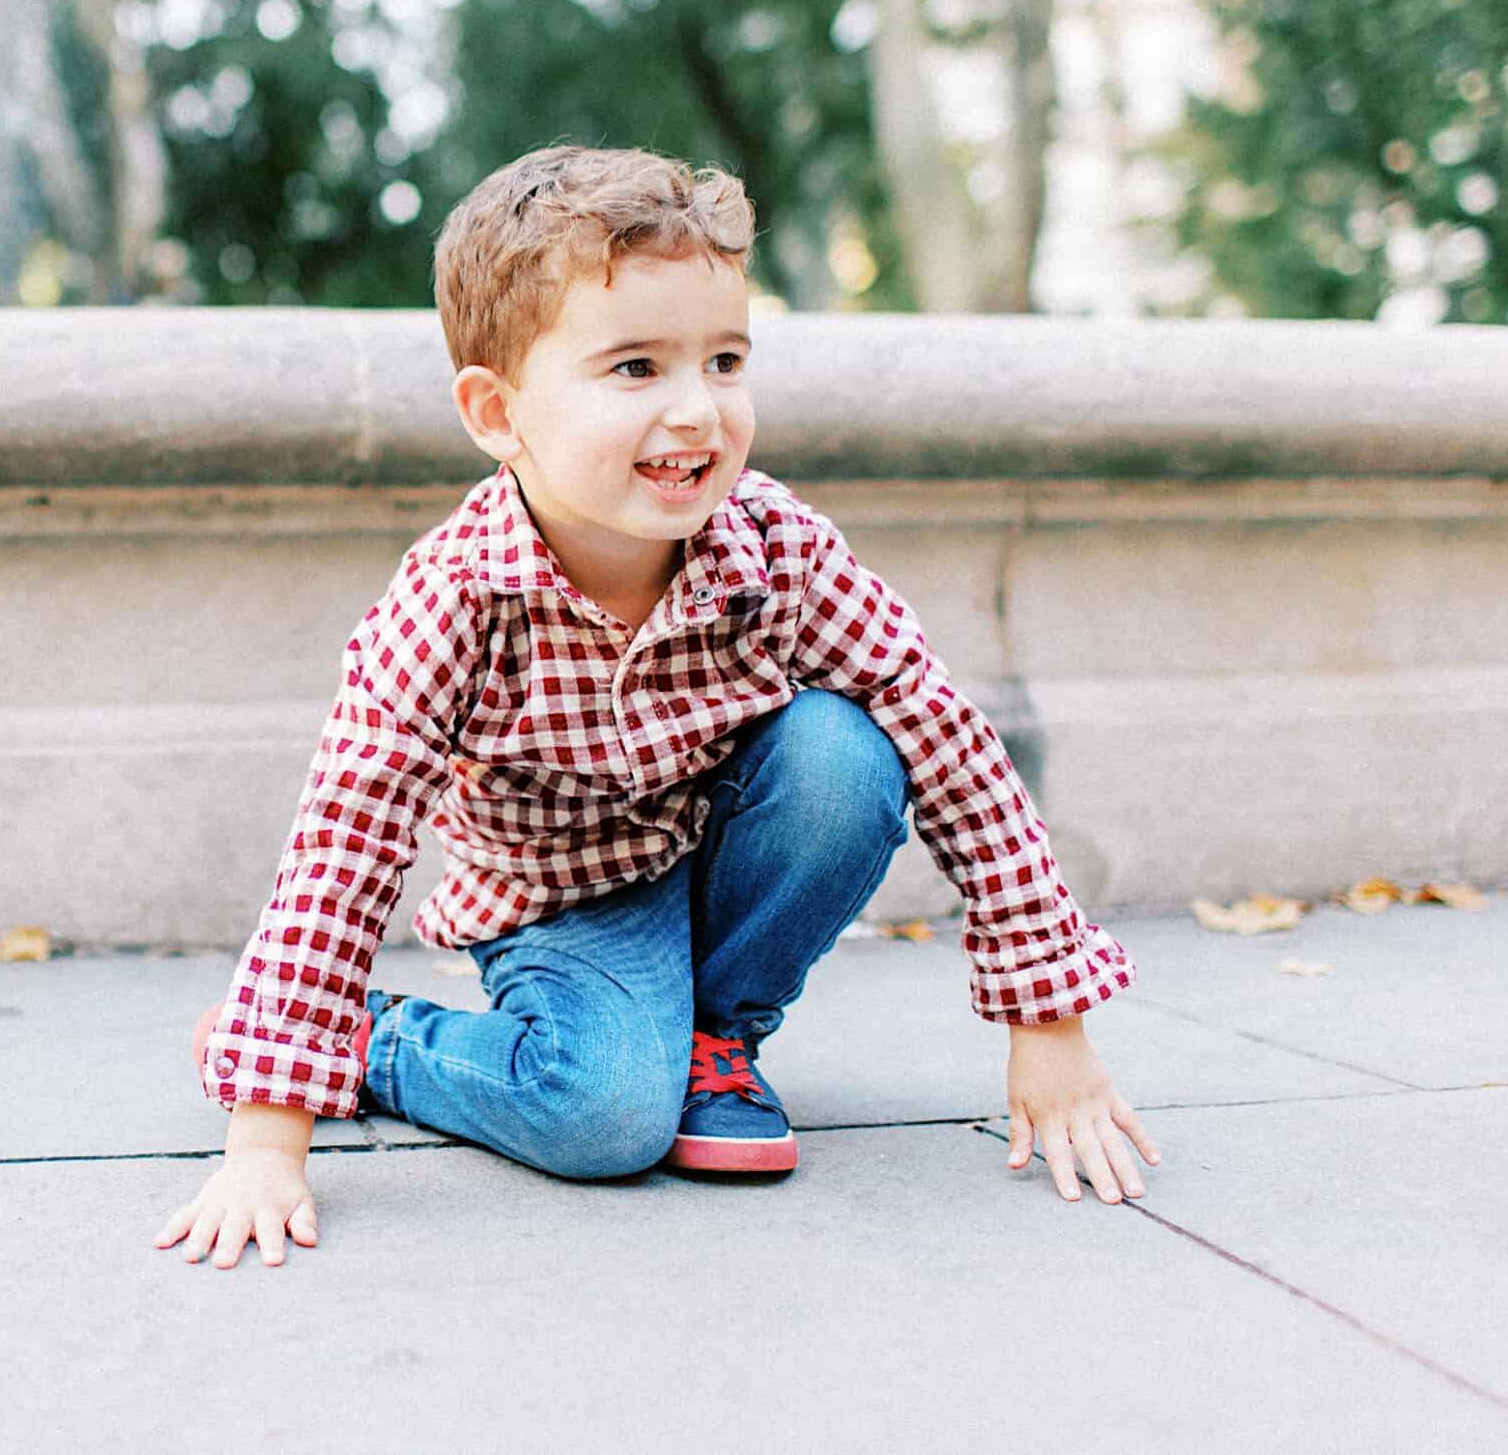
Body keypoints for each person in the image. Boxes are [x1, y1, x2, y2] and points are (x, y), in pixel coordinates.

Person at [153, 145, 1159, 1271]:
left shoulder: (777, 548)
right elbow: (346, 839)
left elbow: (950, 743)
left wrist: (1048, 1024)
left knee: (847, 753)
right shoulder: (452, 603)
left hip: (725, 855)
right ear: (496, 412)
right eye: (634, 369)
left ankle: (714, 1036)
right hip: (560, 902)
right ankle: (378, 1045)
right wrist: (267, 1138)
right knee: (601, 1122)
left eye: (723, 361)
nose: (696, 411)